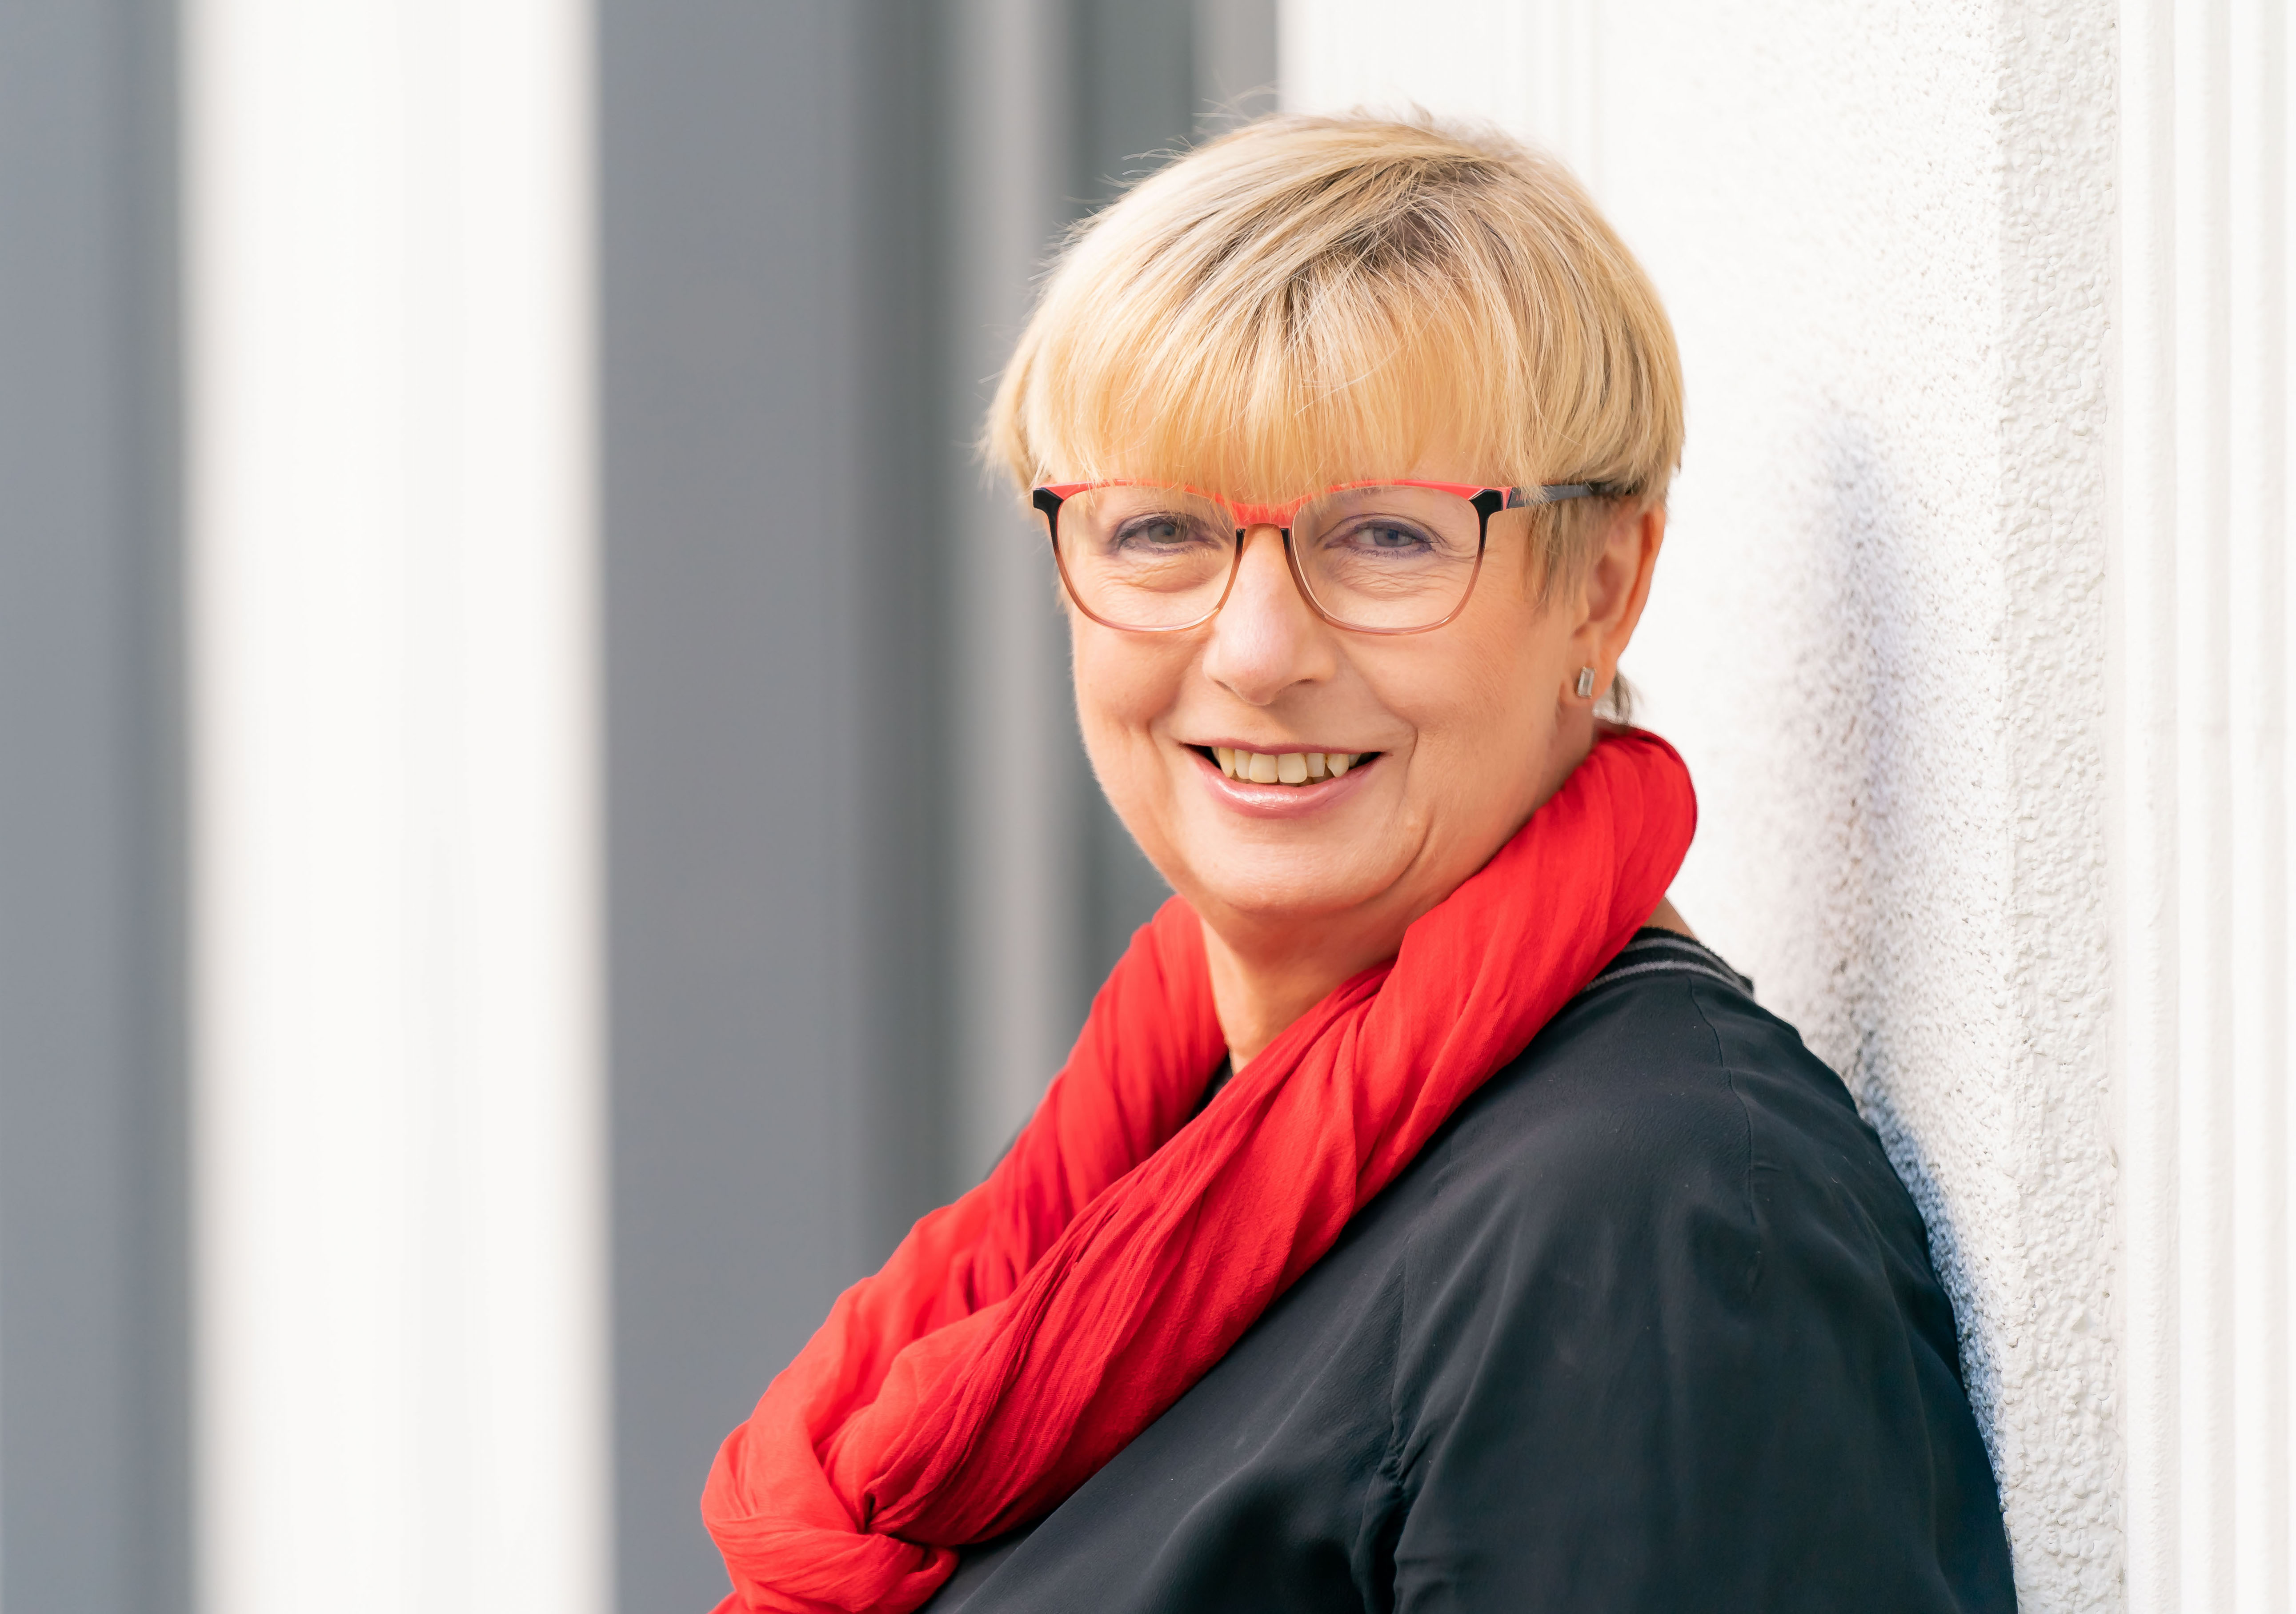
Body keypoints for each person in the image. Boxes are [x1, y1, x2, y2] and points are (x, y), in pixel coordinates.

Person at [702, 115, 2014, 1614]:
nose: (1258, 652)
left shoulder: (1657, 1227)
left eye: (1387, 537)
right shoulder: (1168, 1139)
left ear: (1602, 588)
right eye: (1161, 529)